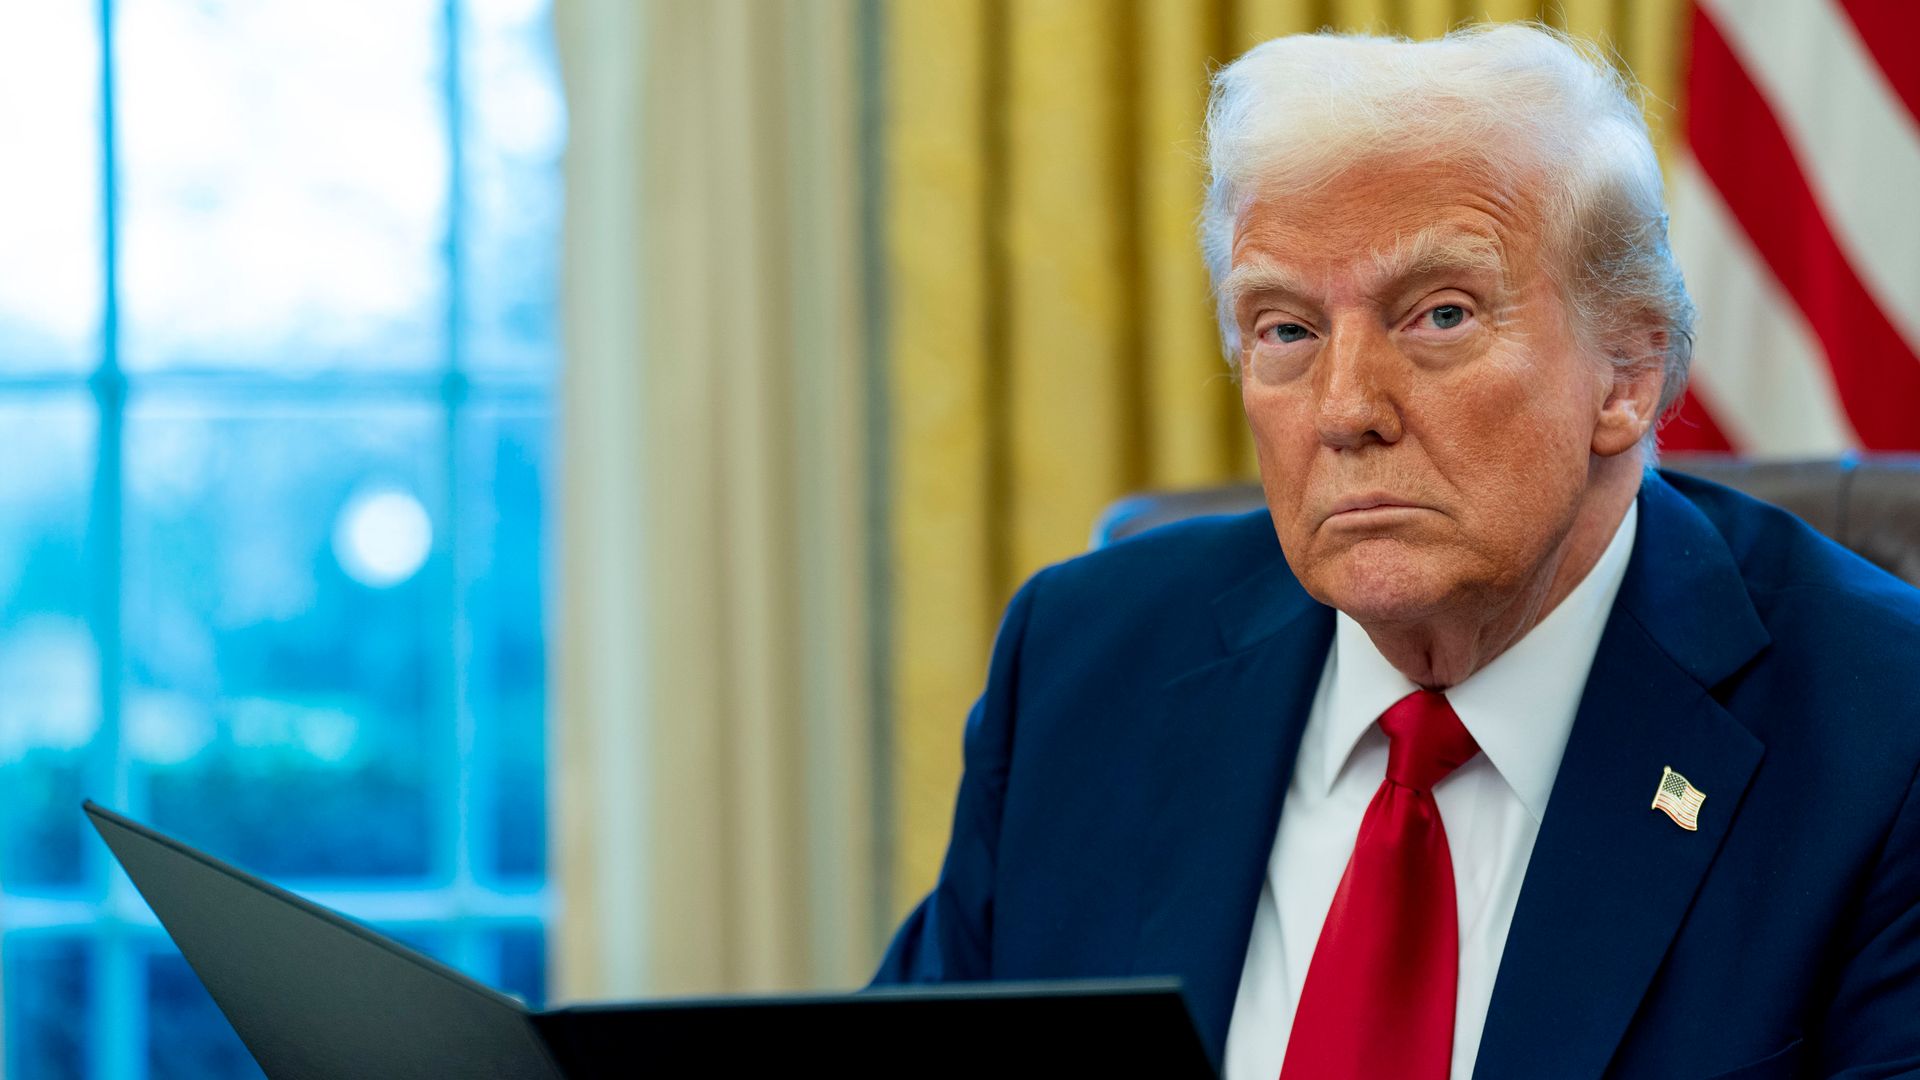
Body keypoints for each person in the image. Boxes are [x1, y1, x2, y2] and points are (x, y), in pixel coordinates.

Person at [871, 23, 1920, 1080]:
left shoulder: (1879, 732)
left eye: (1439, 316)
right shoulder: (1083, 670)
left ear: (1627, 373)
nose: (1344, 410)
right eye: (1285, 330)